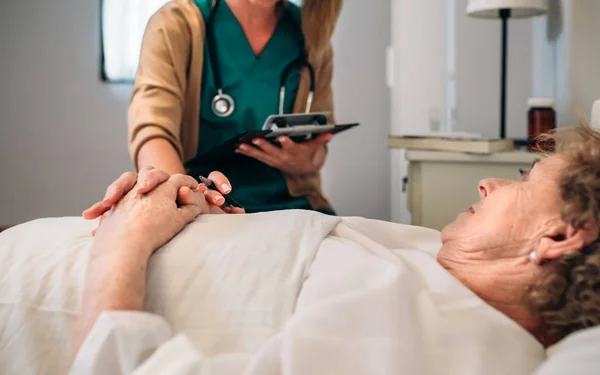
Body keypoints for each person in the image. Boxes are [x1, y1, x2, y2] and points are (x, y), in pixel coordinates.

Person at [65, 124, 600, 373]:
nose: (489, 184)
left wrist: (125, 240)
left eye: (525, 179)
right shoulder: (438, 262)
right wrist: (196, 206)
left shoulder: (430, 341)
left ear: (558, 237)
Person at [129, 0, 342, 214]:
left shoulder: (311, 32)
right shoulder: (175, 23)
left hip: (295, 208)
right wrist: (189, 203)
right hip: (203, 201)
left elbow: (317, 150)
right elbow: (153, 133)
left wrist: (302, 160)